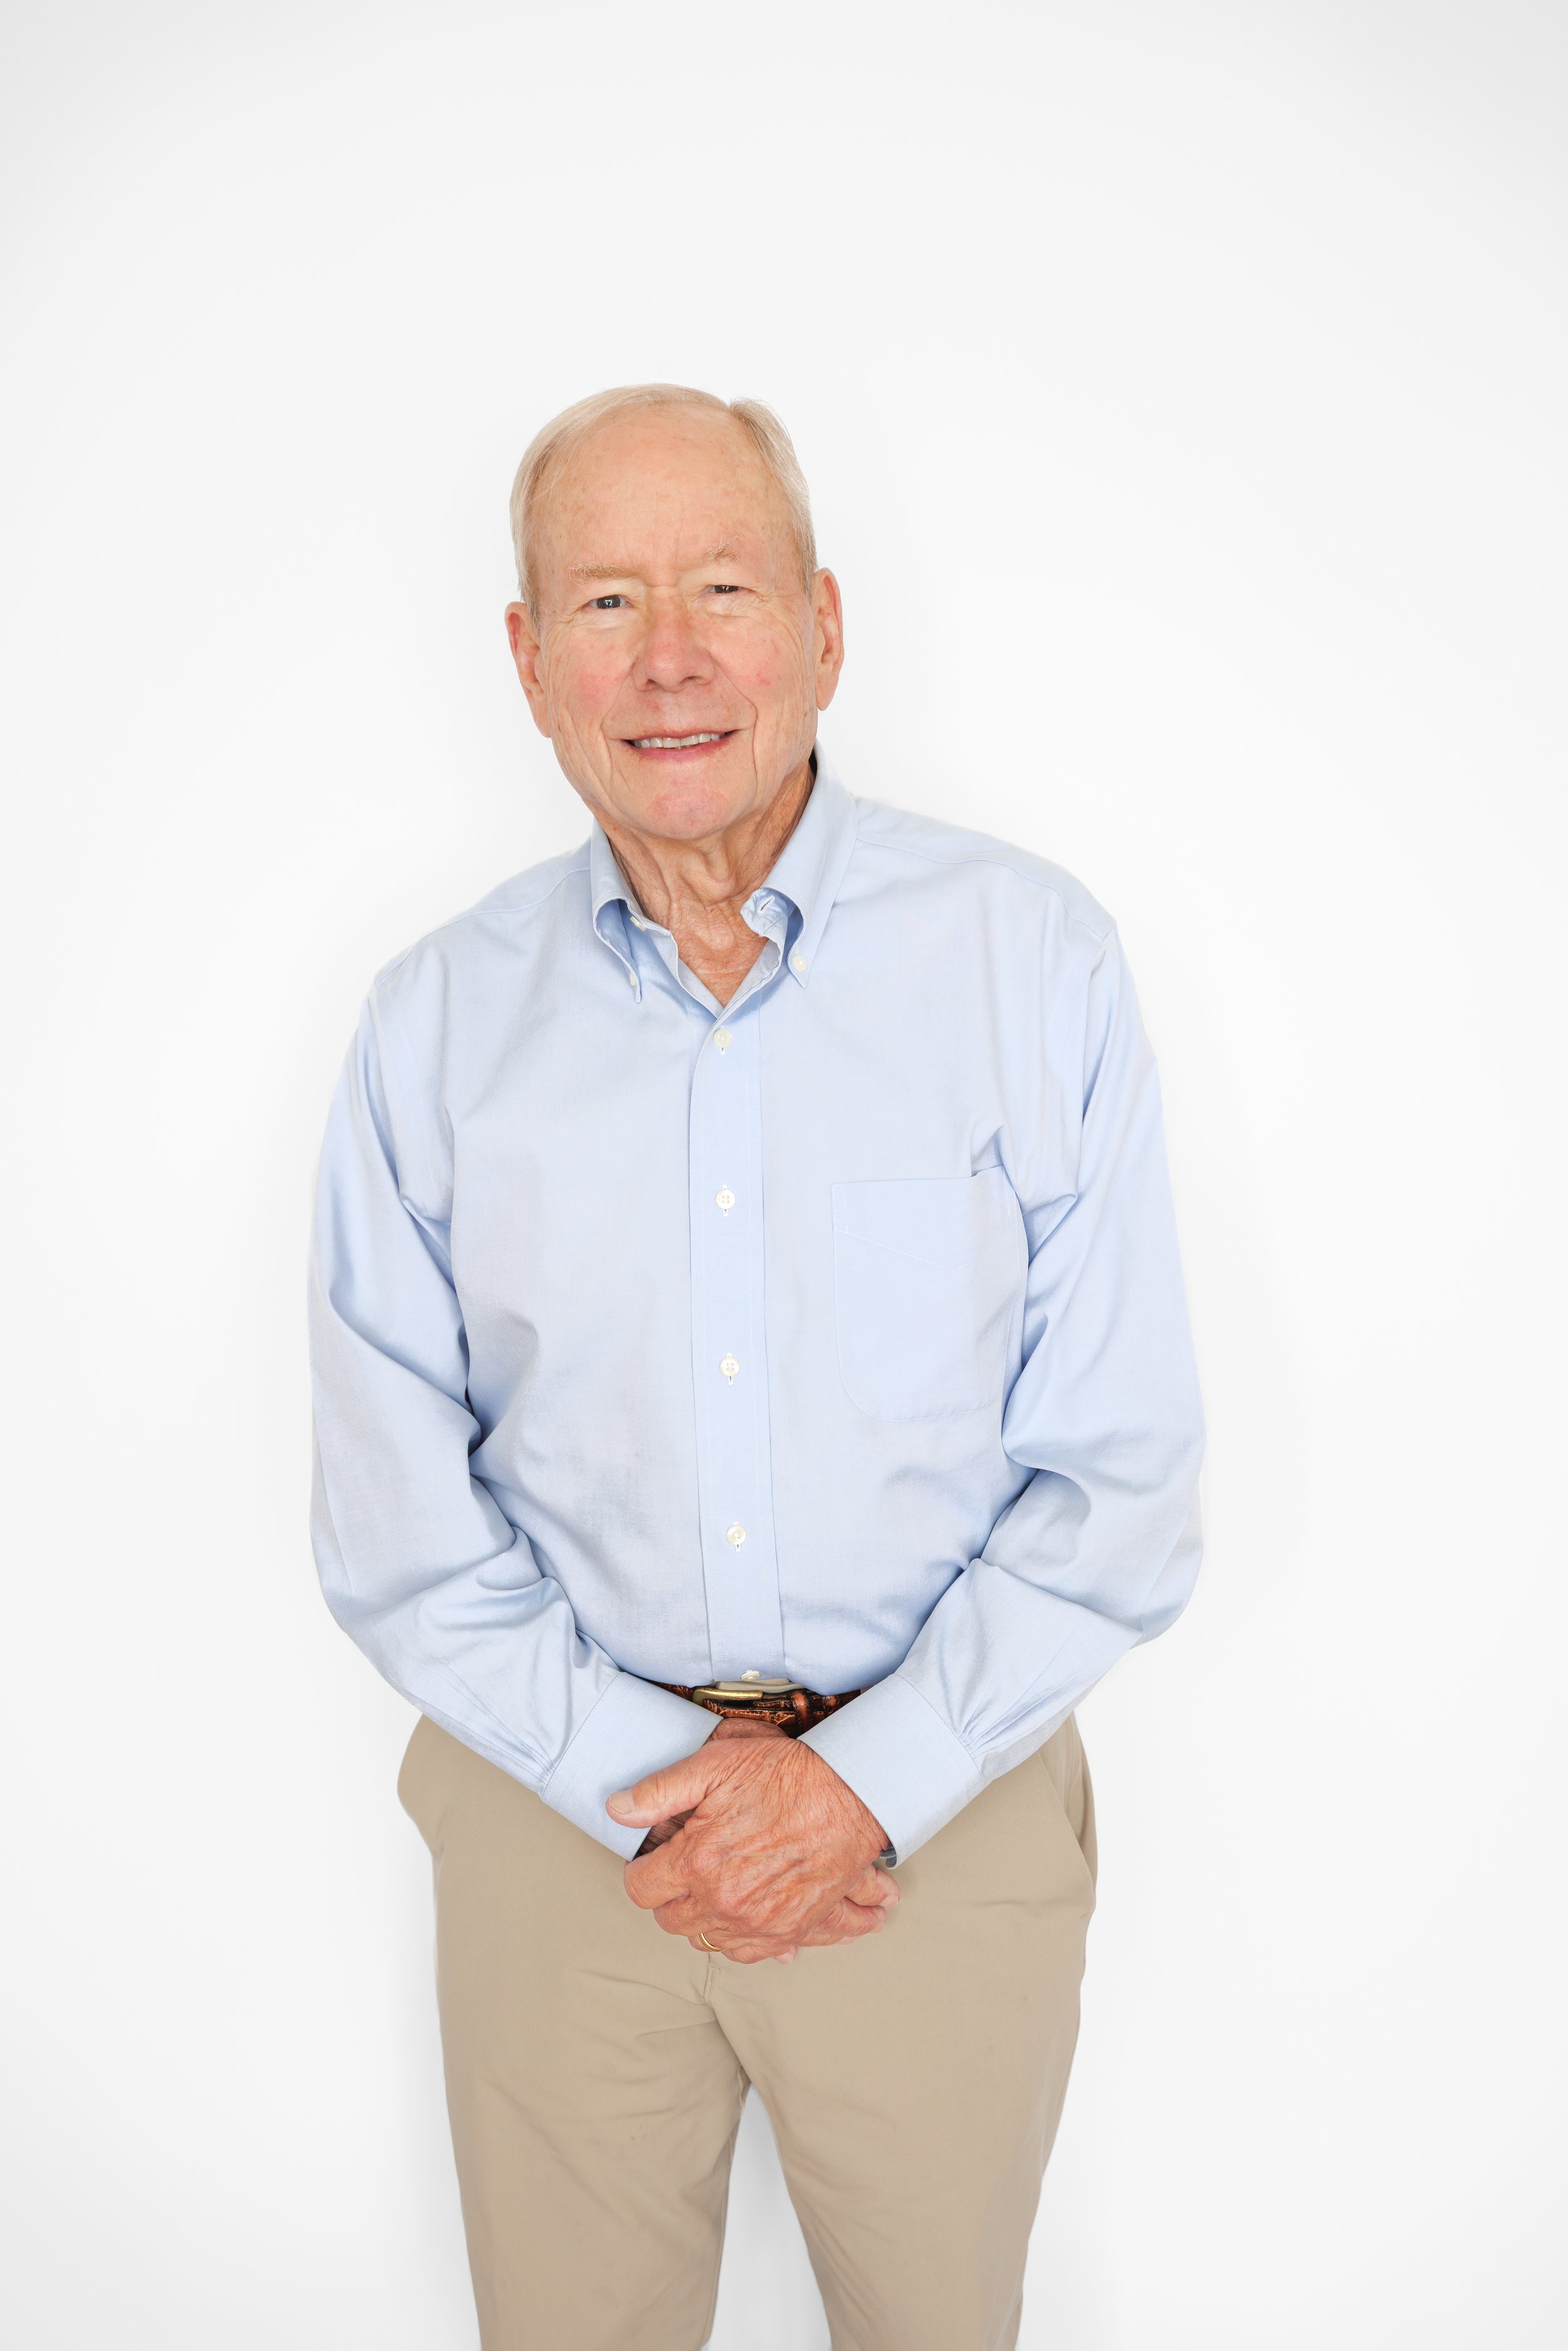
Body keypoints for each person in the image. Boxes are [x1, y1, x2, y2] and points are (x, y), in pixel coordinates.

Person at [308, 383, 1205, 2351]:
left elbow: (1119, 1477)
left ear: (820, 618)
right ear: (531, 661)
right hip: (560, 1839)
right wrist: (650, 1781)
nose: (673, 658)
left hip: (940, 1822)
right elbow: (394, 1509)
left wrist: (856, 1786)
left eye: (721, 584)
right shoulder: (435, 1021)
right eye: (608, 600)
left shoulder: (1026, 958)